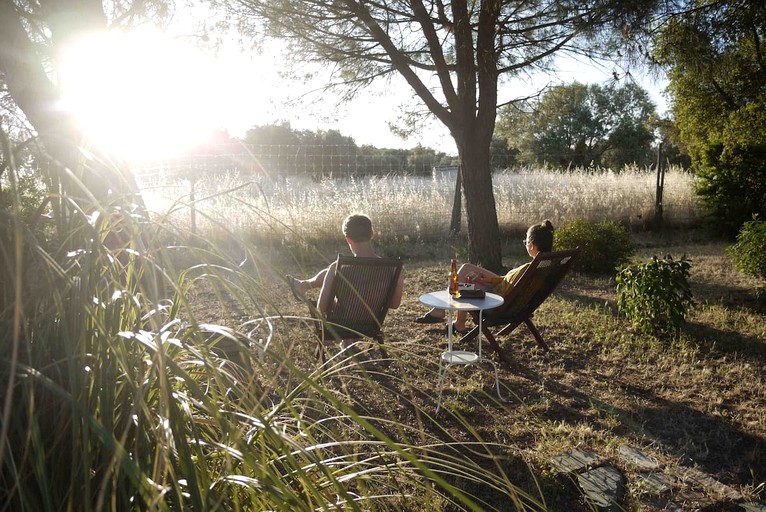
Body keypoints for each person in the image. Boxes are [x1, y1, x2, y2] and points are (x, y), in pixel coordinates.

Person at [414, 219, 555, 333]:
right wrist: (490, 280)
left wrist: (482, 285)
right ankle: (457, 322)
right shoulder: (545, 266)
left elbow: (508, 286)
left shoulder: (527, 269)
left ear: (532, 245)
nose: (525, 245)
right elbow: (511, 283)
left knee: (462, 281)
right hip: (514, 302)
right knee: (467, 269)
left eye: (526, 242)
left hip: (498, 303)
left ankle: (450, 318)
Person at [286, 213, 404, 315]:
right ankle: (303, 285)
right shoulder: (393, 268)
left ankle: (304, 285)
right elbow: (394, 304)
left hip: (343, 325)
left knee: (332, 272)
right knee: (331, 273)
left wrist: (334, 302)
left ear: (348, 239)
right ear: (372, 234)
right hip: (372, 323)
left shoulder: (338, 268)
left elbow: (321, 309)